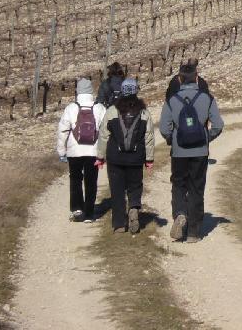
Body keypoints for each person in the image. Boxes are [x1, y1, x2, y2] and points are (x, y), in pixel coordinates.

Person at [160, 63, 224, 243]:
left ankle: (180, 213)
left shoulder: (171, 99)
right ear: (196, 78)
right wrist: (206, 137)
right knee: (197, 187)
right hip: (200, 151)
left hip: (179, 151)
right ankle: (194, 232)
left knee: (179, 185)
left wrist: (173, 139)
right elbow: (218, 125)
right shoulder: (207, 98)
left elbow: (164, 128)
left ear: (179, 79)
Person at [96, 78, 155, 234]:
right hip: (136, 158)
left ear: (122, 91)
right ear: (136, 91)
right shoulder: (144, 112)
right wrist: (149, 159)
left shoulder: (112, 111)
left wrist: (100, 157)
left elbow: (103, 135)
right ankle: (134, 207)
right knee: (135, 186)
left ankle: (119, 224)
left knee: (117, 190)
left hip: (115, 158)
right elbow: (149, 137)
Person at [56, 78, 105, 222]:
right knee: (91, 181)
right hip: (93, 151)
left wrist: (62, 151)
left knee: (75, 179)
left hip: (74, 151)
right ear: (91, 91)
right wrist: (104, 152)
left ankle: (77, 209)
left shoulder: (71, 108)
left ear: (78, 91)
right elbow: (105, 131)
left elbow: (63, 130)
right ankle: (89, 213)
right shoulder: (99, 107)